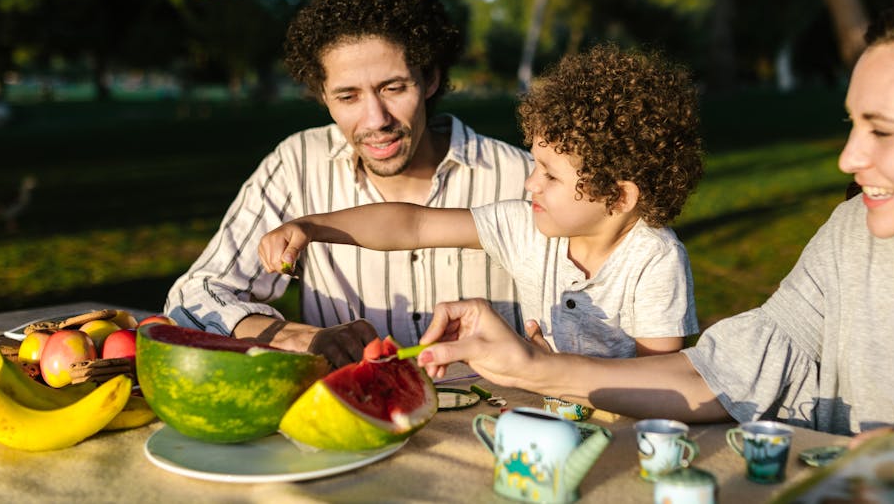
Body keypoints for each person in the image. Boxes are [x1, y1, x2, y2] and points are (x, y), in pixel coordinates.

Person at [415, 0, 894, 453]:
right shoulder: (854, 236)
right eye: (852, 125)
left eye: (882, 132)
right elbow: (730, 370)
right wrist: (534, 367)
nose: (850, 156)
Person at [163, 0, 533, 366]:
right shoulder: (297, 165)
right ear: (323, 95)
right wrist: (300, 337)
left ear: (429, 79)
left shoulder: (519, 178)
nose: (375, 120)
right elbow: (194, 298)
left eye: (393, 88)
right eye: (348, 96)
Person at [260, 44, 706, 358]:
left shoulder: (655, 259)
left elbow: (658, 379)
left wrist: (553, 372)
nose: (530, 183)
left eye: (550, 175)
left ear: (620, 196)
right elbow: (411, 226)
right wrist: (312, 227)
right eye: (535, 165)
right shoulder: (526, 227)